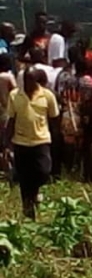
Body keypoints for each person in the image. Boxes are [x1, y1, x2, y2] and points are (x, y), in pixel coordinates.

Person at [5, 68, 59, 218]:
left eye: (31, 80)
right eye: (26, 80)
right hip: (21, 142)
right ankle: (28, 212)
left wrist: (56, 142)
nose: (28, 83)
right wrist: (6, 144)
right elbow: (11, 120)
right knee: (24, 179)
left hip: (41, 141)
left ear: (36, 80)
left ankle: (35, 193)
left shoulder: (47, 96)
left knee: (43, 171)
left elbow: (54, 120)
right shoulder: (15, 95)